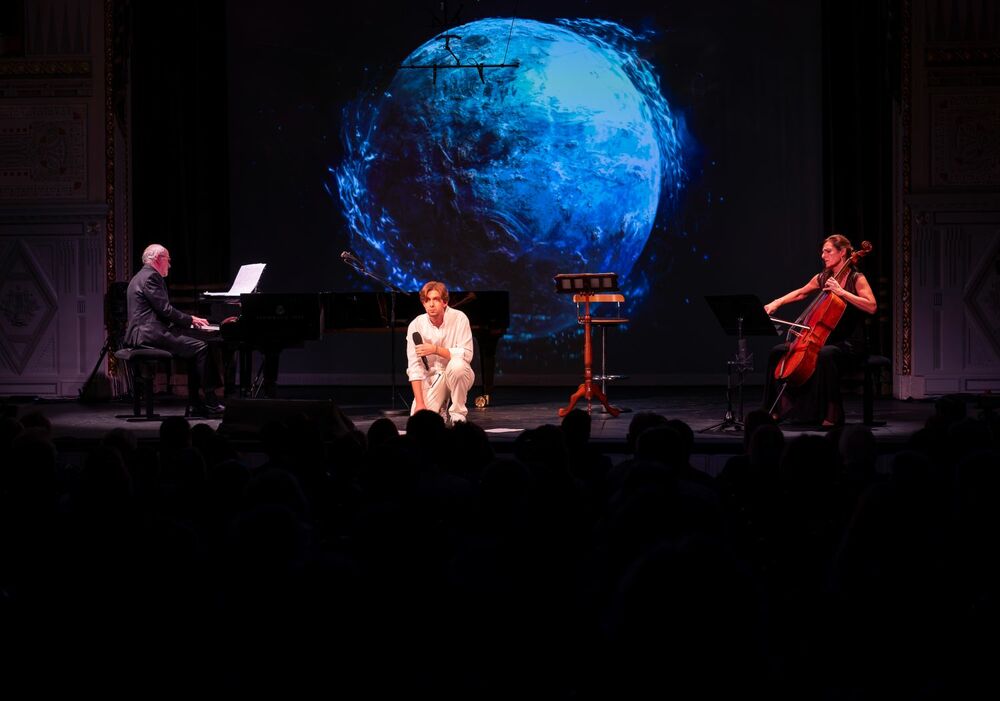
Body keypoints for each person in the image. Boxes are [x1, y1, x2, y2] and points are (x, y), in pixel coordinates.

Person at [762, 234, 877, 427]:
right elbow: (801, 292)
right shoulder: (823, 277)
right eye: (822, 251)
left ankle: (833, 412)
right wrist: (776, 303)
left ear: (842, 253)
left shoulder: (857, 278)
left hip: (849, 343)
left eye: (828, 251)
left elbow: (872, 306)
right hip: (825, 339)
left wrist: (842, 293)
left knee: (825, 355)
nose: (823, 255)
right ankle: (776, 407)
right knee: (778, 352)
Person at [124, 244, 224, 416]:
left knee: (195, 347)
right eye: (168, 260)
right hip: (149, 334)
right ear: (158, 258)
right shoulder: (152, 277)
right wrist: (190, 319)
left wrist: (186, 324)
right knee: (201, 347)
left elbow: (159, 312)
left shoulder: (140, 276)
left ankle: (195, 405)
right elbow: (165, 310)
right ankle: (211, 403)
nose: (169, 265)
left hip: (144, 332)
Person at [406, 281, 475, 424]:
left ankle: (458, 415)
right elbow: (414, 367)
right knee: (421, 422)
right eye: (427, 300)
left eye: (436, 299)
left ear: (444, 302)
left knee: (457, 365)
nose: (431, 305)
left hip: (458, 375)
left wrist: (436, 350)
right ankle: (440, 410)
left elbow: (467, 354)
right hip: (432, 379)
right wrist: (419, 403)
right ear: (423, 303)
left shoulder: (459, 318)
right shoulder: (416, 325)